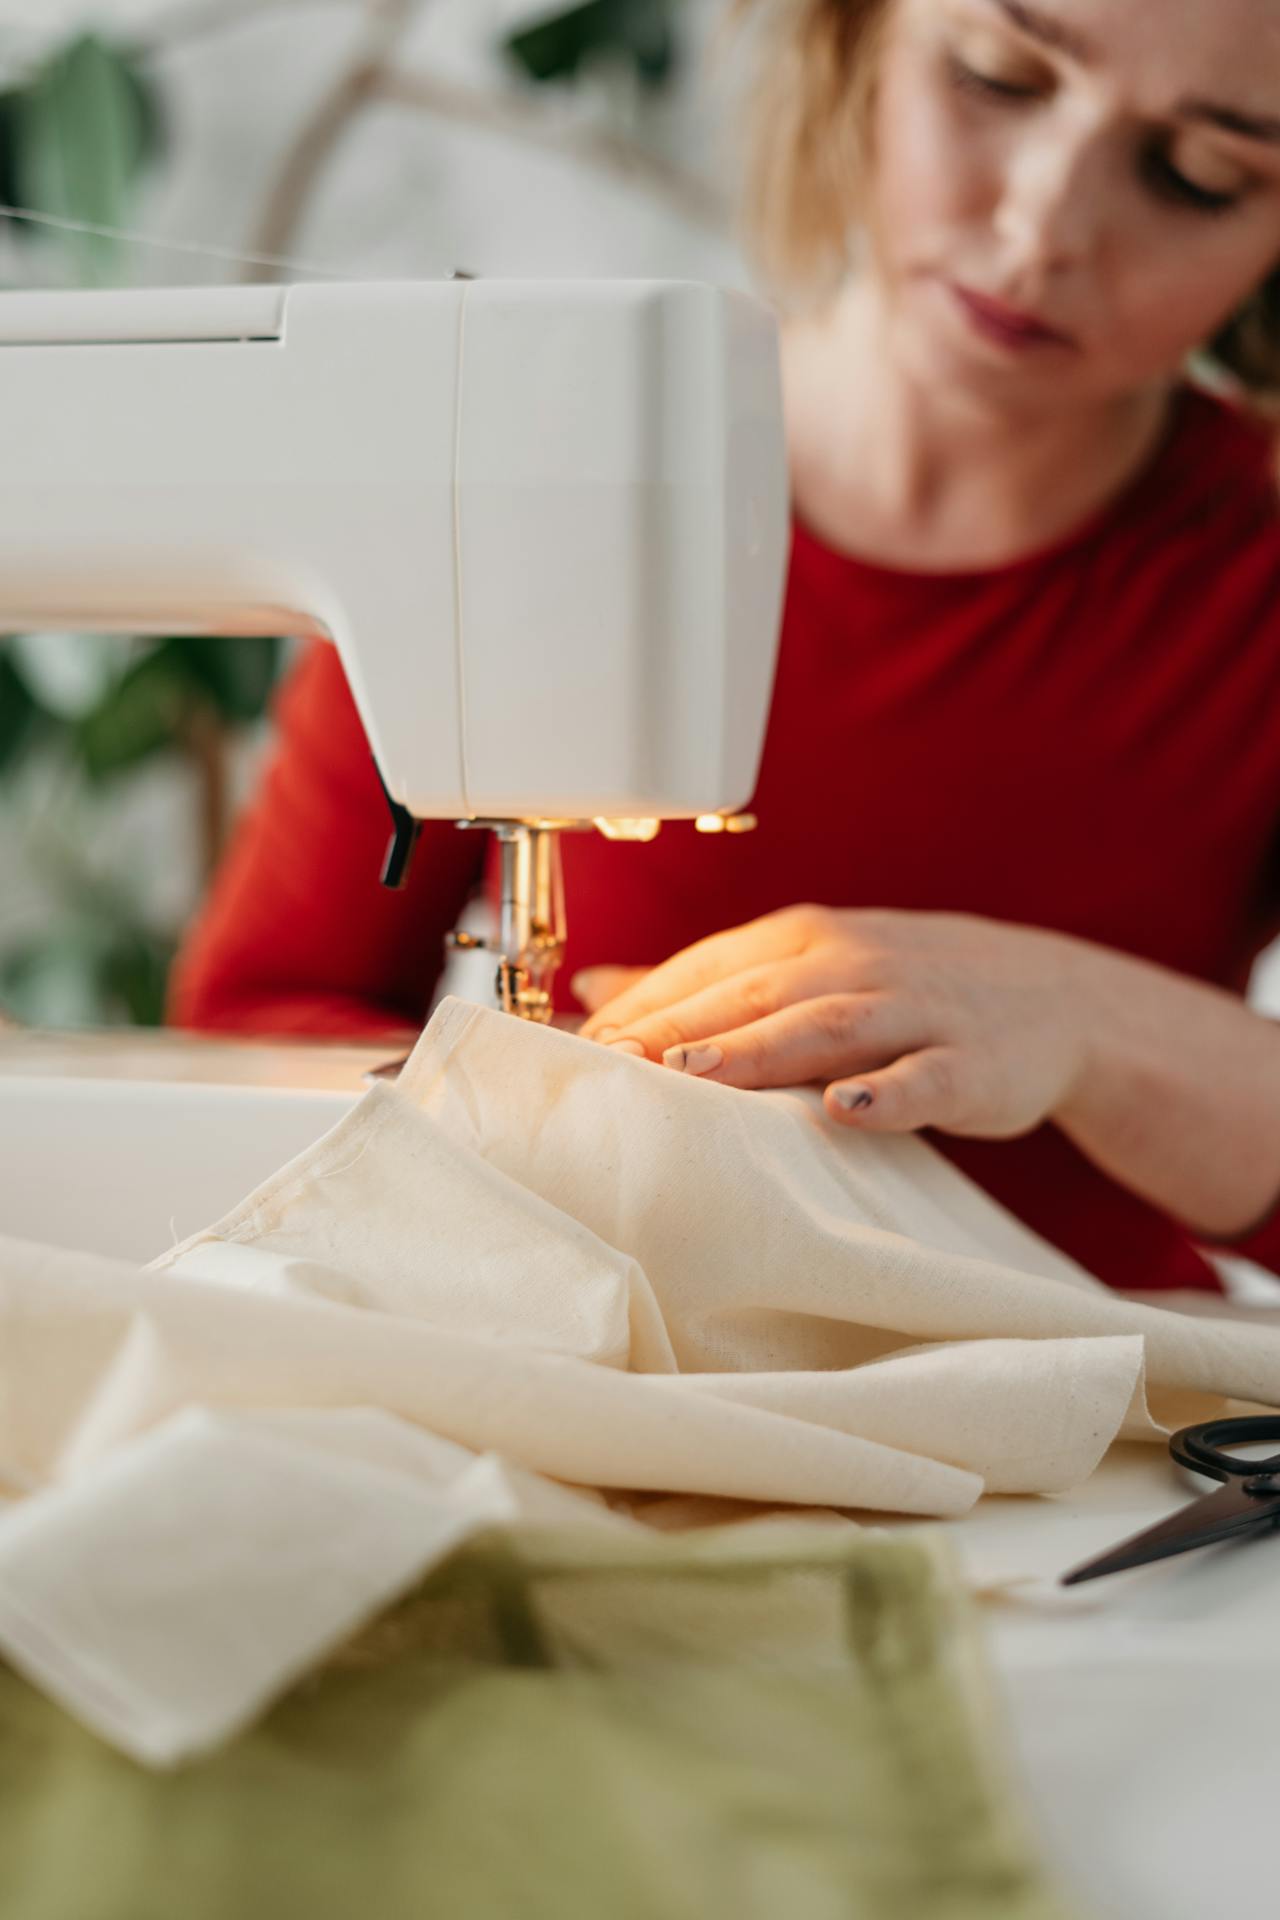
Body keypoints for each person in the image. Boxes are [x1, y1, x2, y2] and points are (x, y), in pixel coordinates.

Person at [171, 0, 1280, 1296]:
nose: (1041, 232)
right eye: (996, 77)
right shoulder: (534, 490)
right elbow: (253, 1017)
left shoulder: (1249, 582)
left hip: (1097, 1443)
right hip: (608, 1360)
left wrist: (1086, 1025)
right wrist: (536, 1135)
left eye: (1200, 175)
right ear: (854, 37)